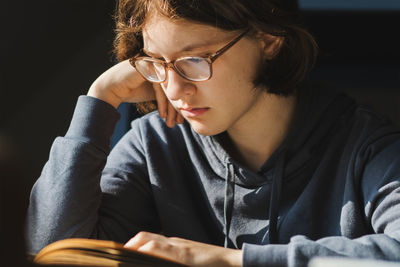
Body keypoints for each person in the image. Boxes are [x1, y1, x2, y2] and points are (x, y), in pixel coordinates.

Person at [27, 0, 400, 266]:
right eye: (156, 62)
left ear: (269, 40)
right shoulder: (154, 142)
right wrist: (101, 97)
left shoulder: (366, 148)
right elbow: (53, 251)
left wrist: (231, 261)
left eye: (194, 60)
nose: (174, 89)